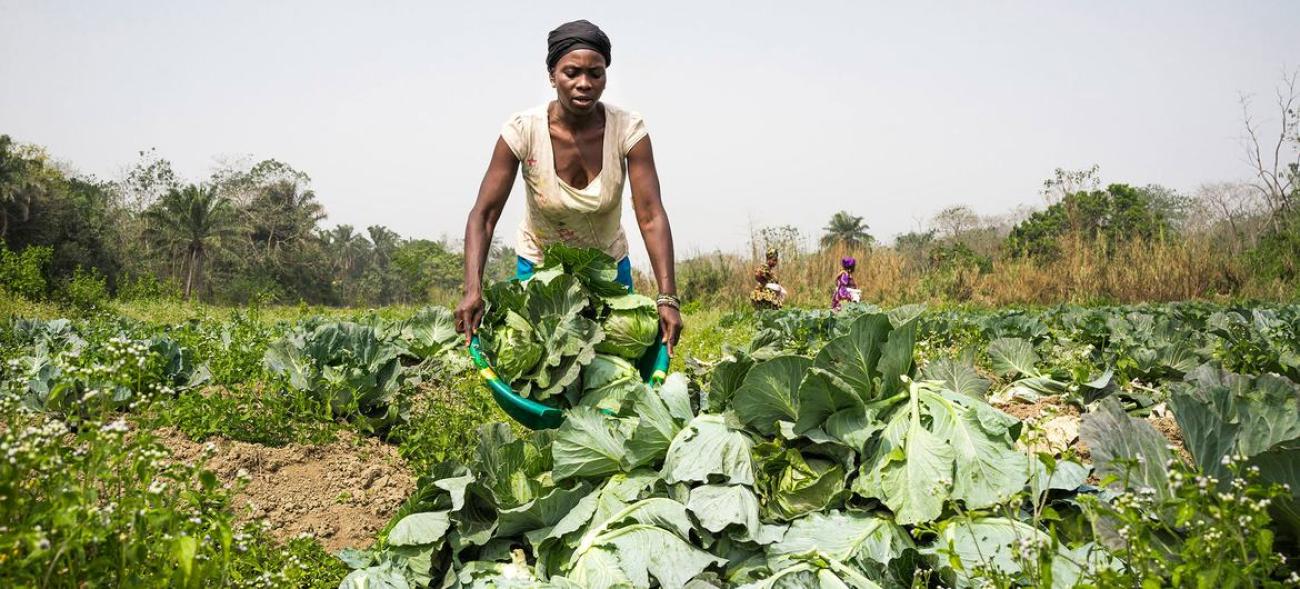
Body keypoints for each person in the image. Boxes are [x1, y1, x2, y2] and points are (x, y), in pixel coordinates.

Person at [455, 20, 683, 354]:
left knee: (614, 365)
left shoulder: (627, 130)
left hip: (606, 267)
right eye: (571, 72)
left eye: (596, 73)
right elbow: (484, 215)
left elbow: (650, 215)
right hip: (540, 270)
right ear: (551, 76)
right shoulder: (523, 131)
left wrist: (667, 296)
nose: (584, 84)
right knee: (539, 363)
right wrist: (472, 289)